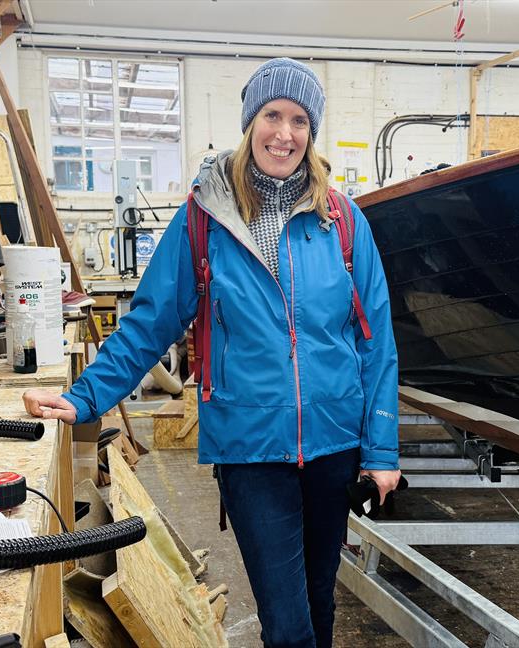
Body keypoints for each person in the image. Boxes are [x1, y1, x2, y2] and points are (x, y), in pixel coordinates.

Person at [22, 57, 400, 648]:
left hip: (334, 443)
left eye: (300, 120)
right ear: (250, 123)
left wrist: (381, 449)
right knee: (287, 621)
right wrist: (83, 396)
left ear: (312, 131)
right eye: (272, 115)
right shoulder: (206, 216)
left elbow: (376, 341)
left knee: (319, 600)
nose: (285, 133)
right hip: (251, 449)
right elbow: (149, 322)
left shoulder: (343, 221)